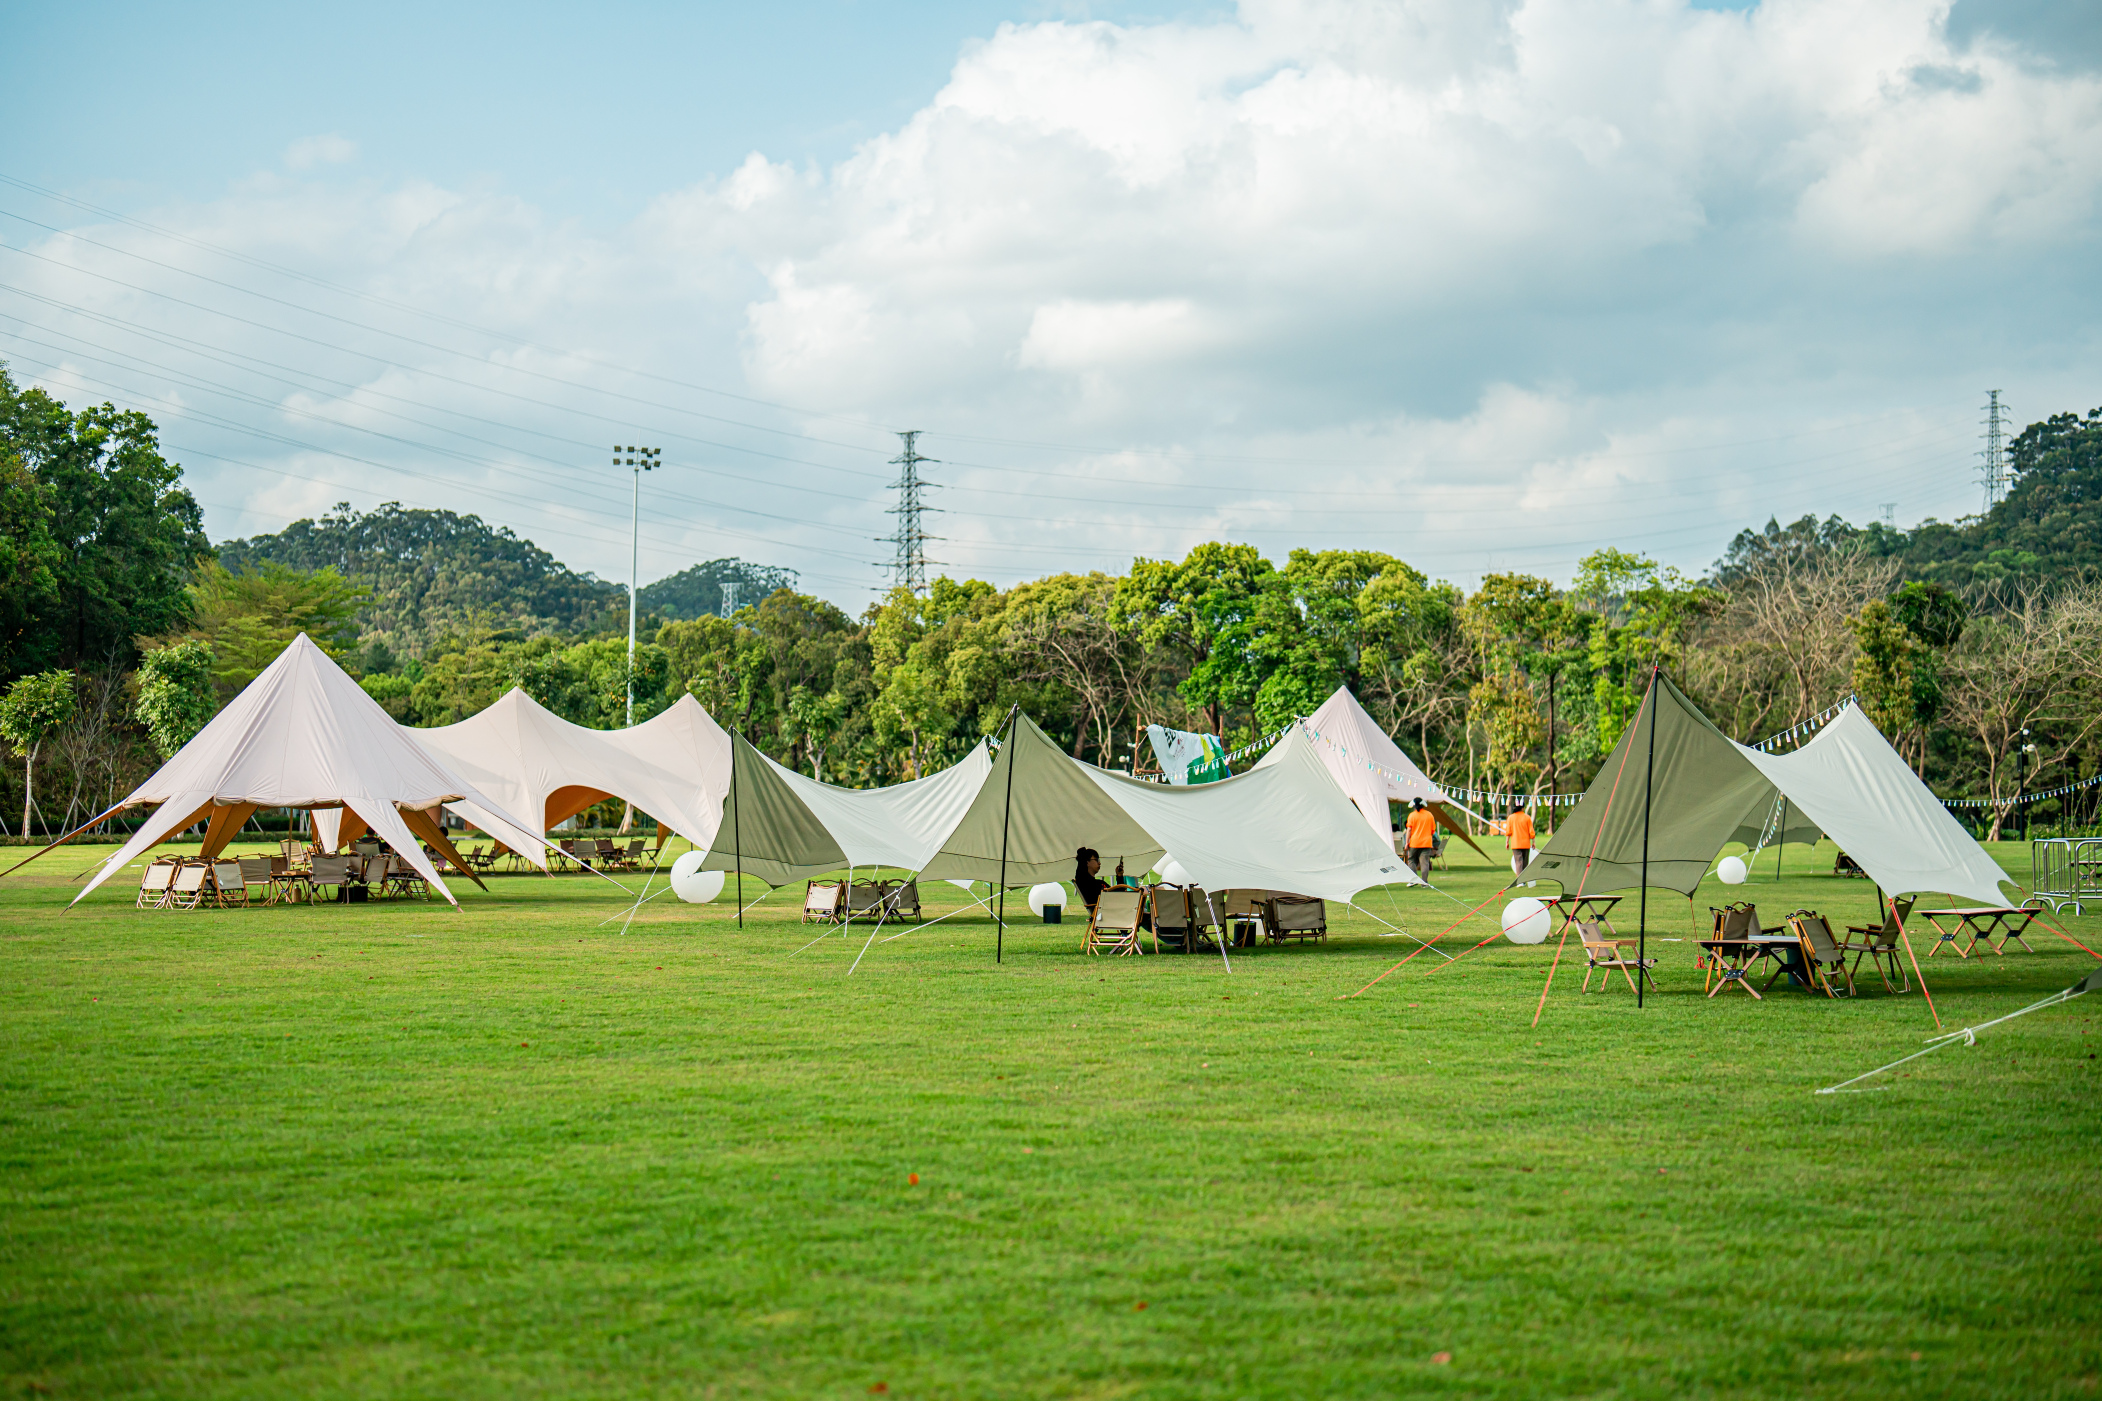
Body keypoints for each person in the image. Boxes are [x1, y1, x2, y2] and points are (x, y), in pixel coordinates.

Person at [1404, 797, 1438, 878]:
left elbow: (1409, 830)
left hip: (1414, 843)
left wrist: (1406, 843)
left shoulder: (1412, 816)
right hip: (1427, 843)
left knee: (1411, 860)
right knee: (1424, 863)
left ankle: (1414, 879)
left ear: (1413, 806)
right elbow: (1432, 831)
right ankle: (1424, 882)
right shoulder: (1429, 815)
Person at [1506, 801, 1536, 877]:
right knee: (1525, 862)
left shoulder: (1510, 818)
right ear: (1522, 808)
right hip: (1526, 843)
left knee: (1518, 862)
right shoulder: (1527, 817)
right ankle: (1523, 879)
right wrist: (1533, 842)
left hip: (1515, 844)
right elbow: (1531, 832)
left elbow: (1508, 832)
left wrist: (1507, 842)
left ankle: (1519, 880)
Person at [1074, 847, 1107, 911]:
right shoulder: (1086, 884)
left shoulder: (1097, 883)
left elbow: (1119, 893)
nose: (1099, 863)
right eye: (1096, 860)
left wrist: (1119, 876)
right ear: (1087, 862)